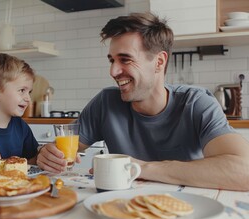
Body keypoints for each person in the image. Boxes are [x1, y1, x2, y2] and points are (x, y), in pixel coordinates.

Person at [36, 12, 249, 191]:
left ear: (159, 61)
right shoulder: (105, 103)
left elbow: (244, 170)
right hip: (120, 210)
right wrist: (47, 155)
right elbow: (62, 152)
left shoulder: (196, 104)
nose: (113, 71)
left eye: (125, 59)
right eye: (112, 60)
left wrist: (141, 168)